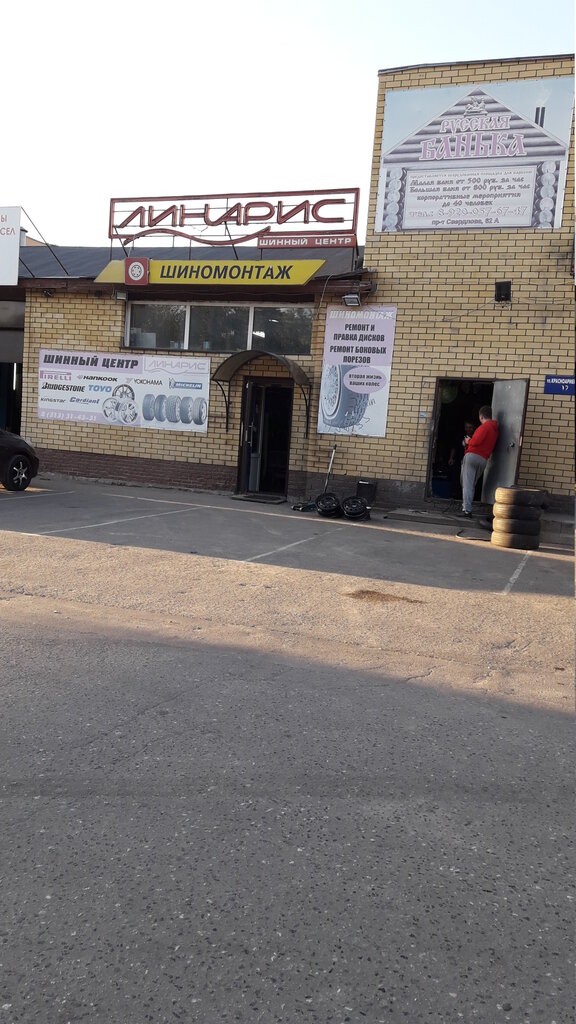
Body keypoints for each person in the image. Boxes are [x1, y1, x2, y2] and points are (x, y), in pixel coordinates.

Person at [459, 405, 499, 517]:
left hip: (472, 456)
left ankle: (466, 510)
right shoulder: (495, 430)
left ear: (481, 417)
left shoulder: (483, 427)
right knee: (471, 484)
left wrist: (468, 441)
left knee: (466, 484)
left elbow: (475, 441)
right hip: (483, 459)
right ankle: (467, 507)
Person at [448, 419, 476, 499]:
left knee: (468, 480)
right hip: (459, 460)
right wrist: (451, 458)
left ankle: (467, 497)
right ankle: (455, 496)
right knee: (456, 478)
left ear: (474, 427)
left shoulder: (476, 437)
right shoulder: (460, 436)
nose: (468, 429)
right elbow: (454, 447)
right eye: (466, 427)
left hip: (471, 462)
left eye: (470, 427)